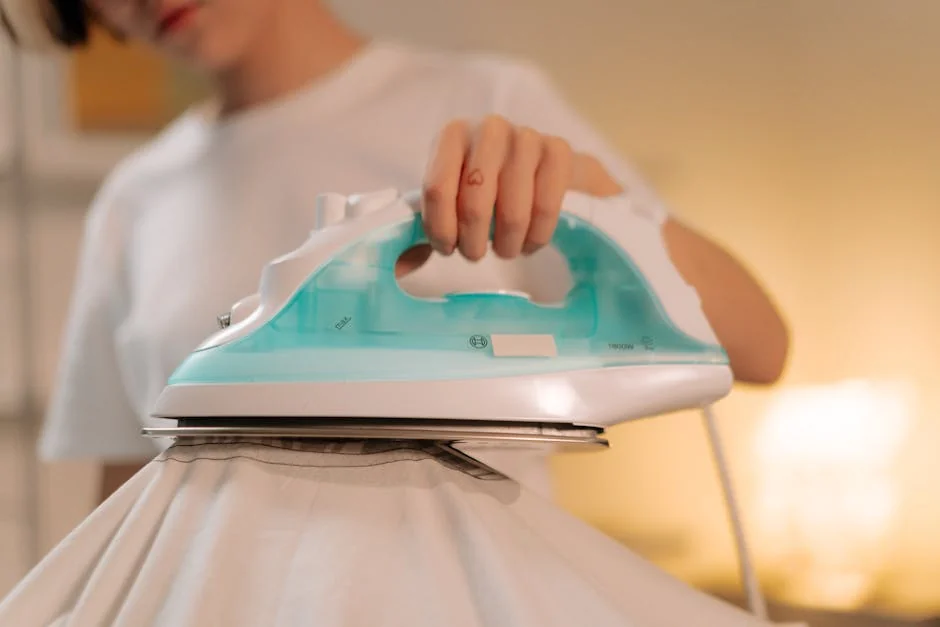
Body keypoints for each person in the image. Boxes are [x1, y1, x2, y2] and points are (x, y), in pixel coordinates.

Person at [23, 0, 788, 503]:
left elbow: (761, 346)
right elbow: (129, 509)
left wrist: (586, 188)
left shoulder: (490, 99)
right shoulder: (134, 198)